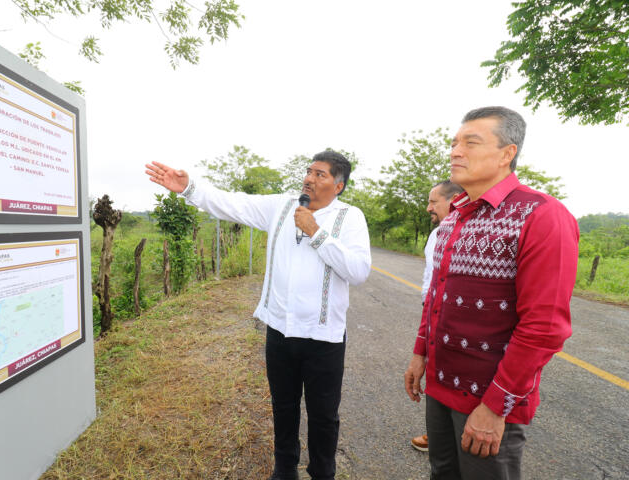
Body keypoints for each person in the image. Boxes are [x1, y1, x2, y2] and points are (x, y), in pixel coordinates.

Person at [145, 150, 371, 480]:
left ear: (338, 186)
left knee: (323, 415)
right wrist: (191, 187)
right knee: (283, 406)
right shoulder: (281, 206)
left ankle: (323, 471)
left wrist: (316, 233)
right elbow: (234, 203)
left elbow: (359, 271)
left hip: (324, 337)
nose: (309, 178)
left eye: (320, 174)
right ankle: (284, 468)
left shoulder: (350, 217)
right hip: (280, 330)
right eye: (308, 171)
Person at [403, 106, 579, 479]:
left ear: (506, 153)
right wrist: (420, 353)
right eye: (453, 143)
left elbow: (544, 327)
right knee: (442, 472)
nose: (455, 151)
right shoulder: (455, 217)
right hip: (440, 386)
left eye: (470, 142)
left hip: (488, 401)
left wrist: (495, 406)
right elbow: (436, 293)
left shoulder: (541, 215)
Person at [412, 180, 464, 453]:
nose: (428, 207)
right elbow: (430, 276)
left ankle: (452, 437)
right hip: (432, 312)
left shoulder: (467, 231)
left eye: (434, 202)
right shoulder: (437, 233)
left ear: (454, 199)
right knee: (435, 371)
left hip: (452, 317)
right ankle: (440, 434)